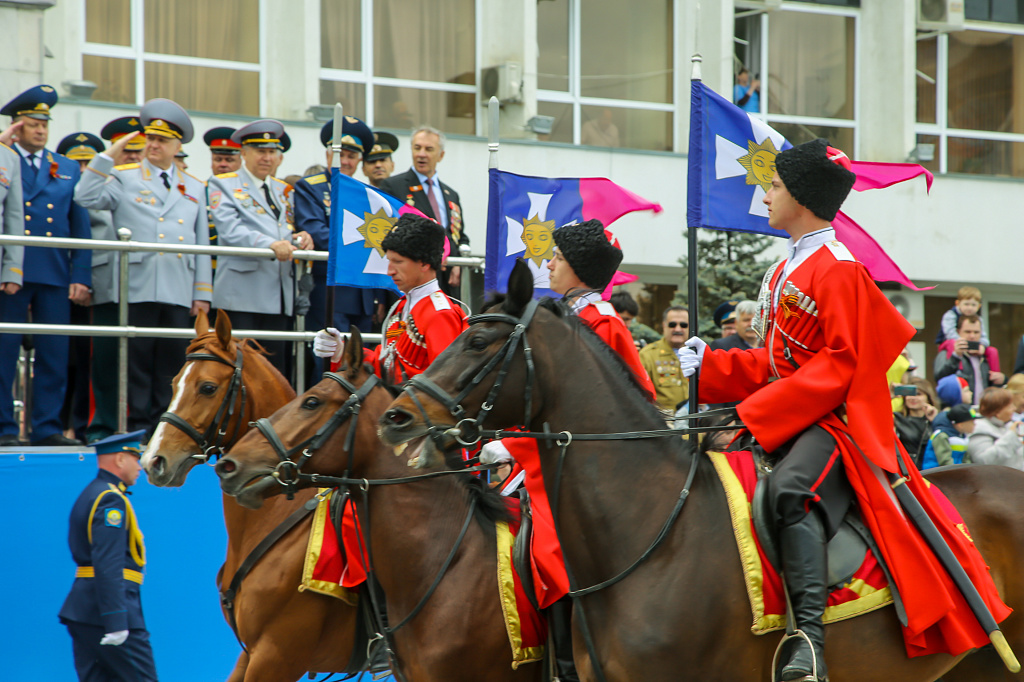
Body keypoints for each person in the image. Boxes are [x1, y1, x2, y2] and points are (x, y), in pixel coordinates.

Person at [679, 138, 1009, 680]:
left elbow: (840, 366)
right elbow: (773, 360)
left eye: (776, 186)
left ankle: (808, 642)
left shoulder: (837, 268)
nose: (765, 194)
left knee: (791, 493)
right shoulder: (783, 269)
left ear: (804, 197)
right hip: (792, 411)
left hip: (836, 421)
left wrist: (758, 410)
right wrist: (713, 365)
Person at [75, 99, 212, 437]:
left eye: (162, 141)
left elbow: (201, 243)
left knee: (169, 364)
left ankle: (159, 428)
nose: (153, 146)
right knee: (133, 362)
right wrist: (110, 154)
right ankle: (134, 428)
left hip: (177, 286)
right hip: (136, 282)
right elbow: (85, 196)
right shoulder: (124, 177)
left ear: (177, 146)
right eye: (150, 139)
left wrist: (202, 293)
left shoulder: (194, 185)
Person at [0, 85, 91, 447]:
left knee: (55, 353)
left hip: (54, 270)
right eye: (33, 123)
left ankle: (48, 426)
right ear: (17, 126)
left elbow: (80, 224)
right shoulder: (5, 160)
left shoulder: (67, 166)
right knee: (5, 354)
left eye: (44, 124)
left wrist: (80, 274)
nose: (40, 130)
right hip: (13, 271)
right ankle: (5, 426)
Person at [208, 119, 313, 379]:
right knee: (241, 370)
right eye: (260, 151)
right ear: (244, 153)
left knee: (275, 373)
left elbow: (285, 229)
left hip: (280, 294)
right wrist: (269, 244)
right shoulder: (223, 184)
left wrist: (301, 237)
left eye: (271, 152)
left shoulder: (284, 190)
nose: (266, 158)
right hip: (244, 293)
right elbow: (230, 230)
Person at [313, 214, 466, 383]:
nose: (389, 271)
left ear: (424, 263)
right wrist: (341, 352)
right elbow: (384, 364)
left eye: (398, 262)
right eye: (389, 261)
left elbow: (446, 381)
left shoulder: (440, 314)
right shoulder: (403, 306)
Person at [59, 430, 157, 682]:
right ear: (120, 459)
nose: (140, 466)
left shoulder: (93, 492)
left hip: (85, 611)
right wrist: (115, 620)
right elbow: (108, 563)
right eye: (135, 457)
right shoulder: (110, 500)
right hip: (108, 611)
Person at [293, 117, 382, 340]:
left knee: (362, 363)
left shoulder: (367, 194)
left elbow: (380, 240)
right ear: (328, 154)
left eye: (351, 156)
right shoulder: (310, 187)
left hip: (364, 294)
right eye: (339, 154)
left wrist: (379, 296)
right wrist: (362, 247)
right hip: (331, 289)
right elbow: (315, 230)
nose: (344, 160)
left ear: (360, 161)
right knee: (328, 363)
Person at [547, 220, 656, 400]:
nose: (549, 265)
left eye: (559, 258)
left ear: (580, 269)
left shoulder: (604, 322)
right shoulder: (566, 314)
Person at [56, 132, 112, 442]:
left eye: (88, 162)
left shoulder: (106, 190)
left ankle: (80, 426)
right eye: (76, 162)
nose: (82, 167)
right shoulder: (57, 188)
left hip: (95, 285)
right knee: (58, 359)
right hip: (58, 283)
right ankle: (54, 425)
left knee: (88, 360)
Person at [379, 126, 468, 298]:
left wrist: (458, 261)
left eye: (429, 149)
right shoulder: (393, 186)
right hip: (411, 280)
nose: (421, 154)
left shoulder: (451, 195)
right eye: (417, 148)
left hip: (446, 280)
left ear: (441, 155)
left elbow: (458, 235)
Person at [934, 314, 1005, 404]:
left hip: (983, 411)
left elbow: (992, 387)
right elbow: (940, 379)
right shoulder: (946, 353)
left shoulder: (986, 356)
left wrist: (1003, 380)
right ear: (958, 332)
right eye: (967, 332)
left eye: (976, 332)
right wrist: (956, 356)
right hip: (959, 412)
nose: (972, 336)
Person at [935, 285, 1000, 372]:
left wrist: (982, 346)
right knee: (952, 343)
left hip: (970, 344)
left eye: (973, 305)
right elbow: (950, 333)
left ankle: (994, 373)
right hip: (947, 343)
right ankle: (960, 369)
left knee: (992, 351)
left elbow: (984, 336)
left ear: (979, 306)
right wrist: (963, 343)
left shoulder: (979, 319)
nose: (970, 308)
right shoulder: (951, 315)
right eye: (966, 304)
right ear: (957, 303)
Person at [639, 305, 689, 413]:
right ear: (664, 326)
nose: (678, 329)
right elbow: (640, 394)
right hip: (665, 423)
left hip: (697, 422)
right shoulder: (648, 355)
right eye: (672, 324)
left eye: (684, 325)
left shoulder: (699, 354)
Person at [967, 386, 1024, 469]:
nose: (1014, 409)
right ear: (997, 411)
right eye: (1009, 406)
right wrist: (1011, 436)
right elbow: (983, 461)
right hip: (996, 480)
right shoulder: (979, 429)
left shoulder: (1008, 425)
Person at [892, 377, 939, 467]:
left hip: (930, 473)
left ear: (928, 398)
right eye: (909, 394)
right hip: (906, 471)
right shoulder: (896, 418)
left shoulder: (936, 419)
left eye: (918, 394)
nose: (913, 398)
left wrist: (935, 421)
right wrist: (890, 396)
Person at [920, 404, 975, 470]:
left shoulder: (962, 436)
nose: (974, 424)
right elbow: (945, 461)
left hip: (955, 474)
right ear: (961, 425)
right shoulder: (942, 436)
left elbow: (965, 459)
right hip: (935, 475)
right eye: (971, 422)